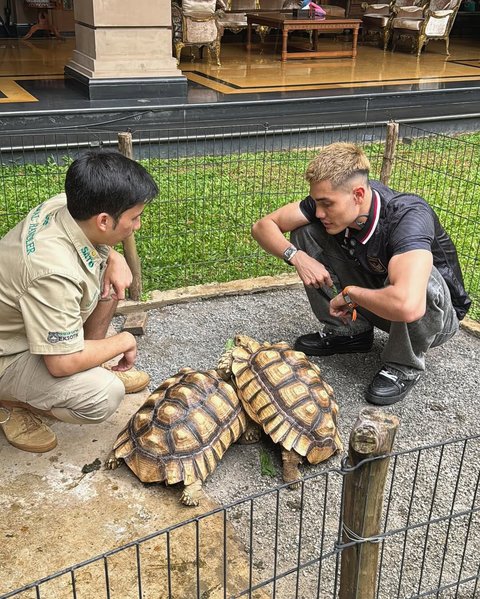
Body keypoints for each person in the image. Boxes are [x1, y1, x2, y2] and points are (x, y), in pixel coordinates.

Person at [251, 142, 471, 406]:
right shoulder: (335, 197)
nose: (319, 211)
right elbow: (263, 227)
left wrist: (351, 294)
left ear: (357, 194)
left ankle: (403, 365)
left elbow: (408, 305)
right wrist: (297, 257)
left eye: (326, 204)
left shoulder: (407, 217)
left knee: (417, 280)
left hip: (435, 318)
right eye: (317, 202)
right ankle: (350, 333)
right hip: (381, 296)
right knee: (304, 233)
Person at [0, 149, 159, 453]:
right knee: (103, 394)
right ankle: (9, 403)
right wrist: (124, 340)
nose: (138, 226)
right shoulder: (53, 273)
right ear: (103, 220)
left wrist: (114, 258)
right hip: (7, 352)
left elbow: (90, 245)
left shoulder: (65, 204)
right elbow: (62, 363)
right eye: (134, 218)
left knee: (112, 281)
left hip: (24, 322)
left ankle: (87, 365)